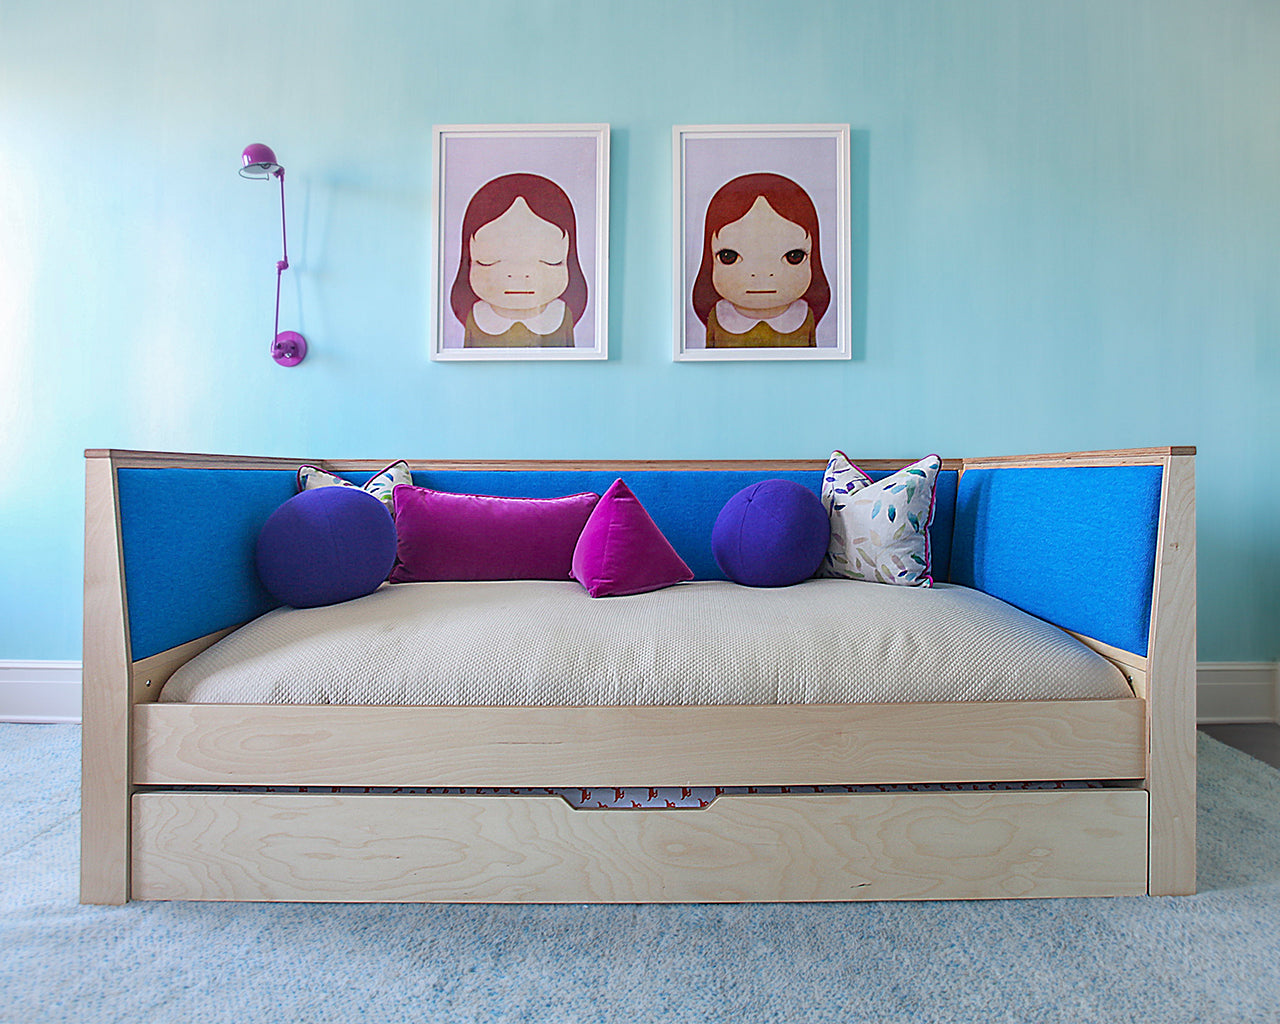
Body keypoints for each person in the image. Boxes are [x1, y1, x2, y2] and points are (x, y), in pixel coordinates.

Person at [691, 172, 830, 348]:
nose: (761, 274)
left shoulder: (804, 316)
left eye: (793, 256)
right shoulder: (717, 317)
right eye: (729, 257)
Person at [450, 173, 588, 348]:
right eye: (488, 261)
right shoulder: (477, 316)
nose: (519, 275)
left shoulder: (560, 315)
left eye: (549, 260)